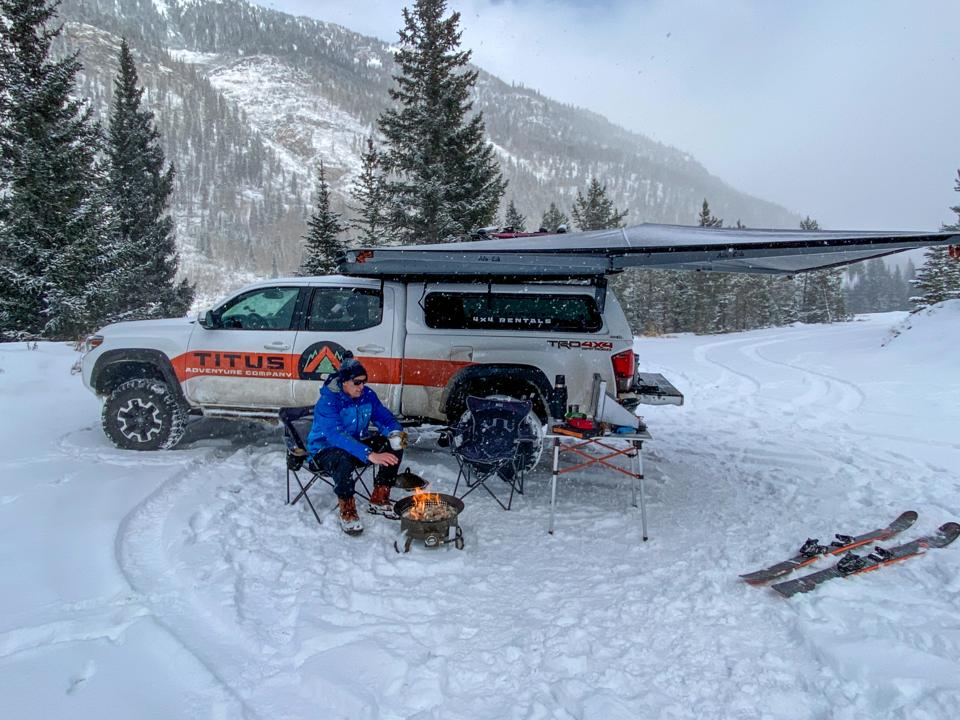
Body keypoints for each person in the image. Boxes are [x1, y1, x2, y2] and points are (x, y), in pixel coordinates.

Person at [307, 358, 404, 535]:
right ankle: (348, 510)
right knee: (341, 458)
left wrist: (396, 433)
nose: (361, 386)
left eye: (364, 382)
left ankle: (379, 499)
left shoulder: (367, 395)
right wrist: (369, 454)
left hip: (355, 445)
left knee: (392, 445)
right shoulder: (328, 402)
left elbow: (385, 418)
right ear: (344, 382)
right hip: (324, 450)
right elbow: (336, 436)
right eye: (356, 382)